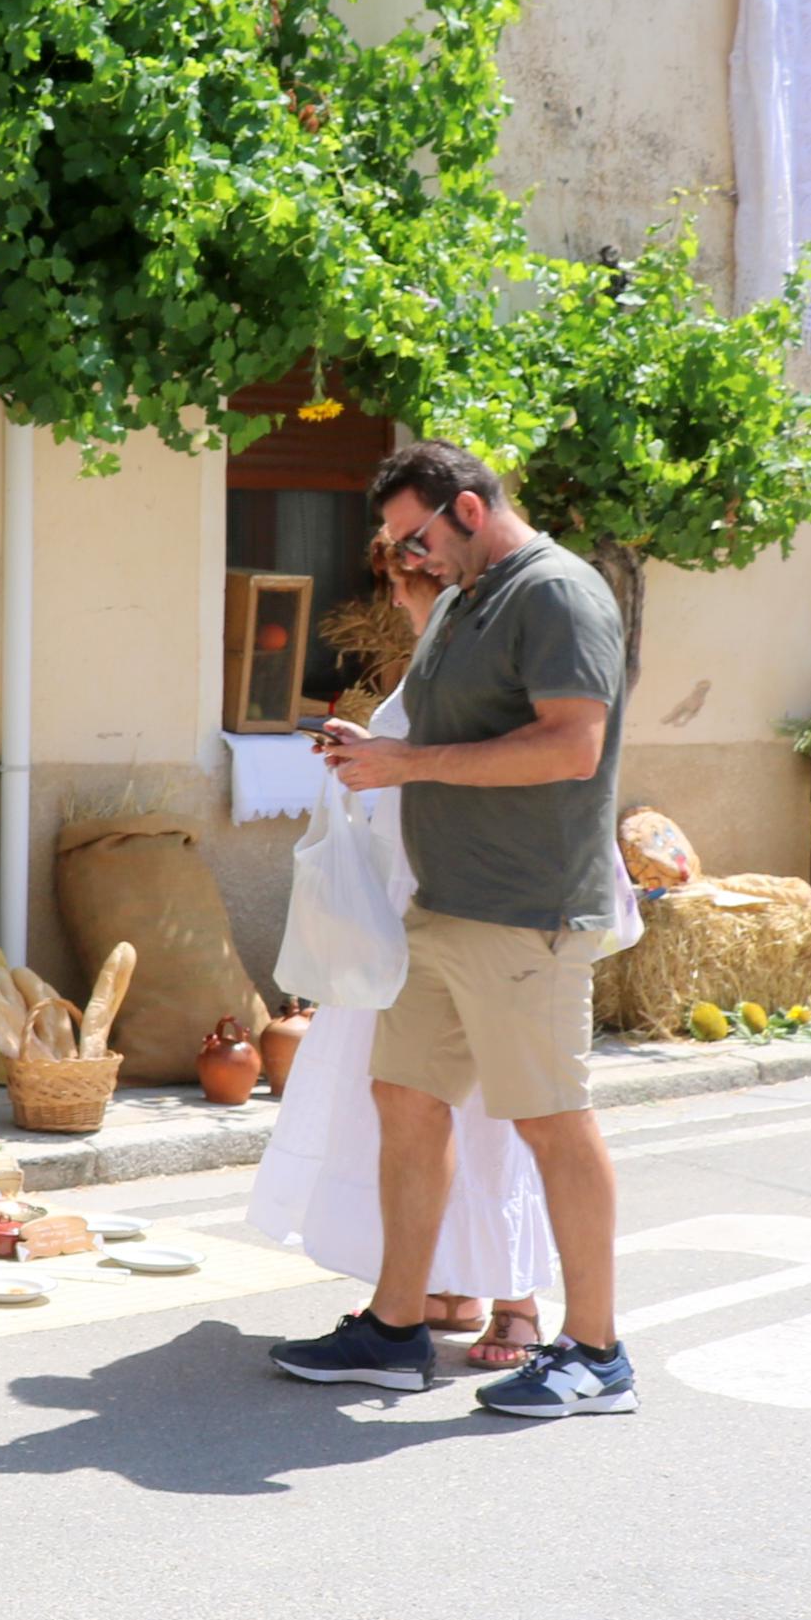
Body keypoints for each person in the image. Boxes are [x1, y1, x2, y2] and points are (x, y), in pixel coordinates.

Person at [287, 441, 638, 1417]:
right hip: (441, 909)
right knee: (402, 1097)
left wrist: (408, 767)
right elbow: (445, 734)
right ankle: (395, 1330)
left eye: (417, 535)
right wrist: (381, 754)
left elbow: (571, 745)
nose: (409, 556)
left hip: (524, 915)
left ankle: (597, 1352)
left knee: (550, 1123)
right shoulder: (465, 600)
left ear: (470, 511)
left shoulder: (556, 594)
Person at [247, 533, 576, 1368]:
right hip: (412, 912)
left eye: (401, 583)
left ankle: (519, 1302)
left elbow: (498, 771)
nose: (392, 600)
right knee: (411, 1111)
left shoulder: (493, 652)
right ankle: (447, 1284)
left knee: (492, 1112)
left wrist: (387, 762)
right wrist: (361, 754)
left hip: (478, 908)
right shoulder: (435, 655)